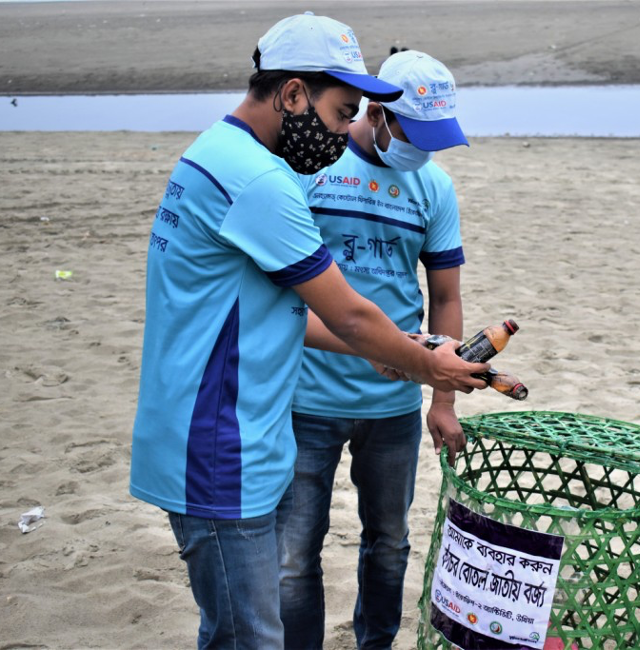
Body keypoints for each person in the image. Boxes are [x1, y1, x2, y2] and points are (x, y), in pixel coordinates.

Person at [129, 15, 487, 649]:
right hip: (218, 445)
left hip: (224, 436)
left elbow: (289, 313)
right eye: (342, 110)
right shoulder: (264, 180)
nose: (343, 130)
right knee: (253, 637)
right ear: (293, 94)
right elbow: (348, 312)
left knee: (241, 628)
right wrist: (428, 365)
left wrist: (404, 354)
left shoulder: (215, 151)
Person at [277, 50, 470, 650]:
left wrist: (442, 400)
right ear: (379, 113)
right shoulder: (310, 168)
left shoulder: (433, 186)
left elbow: (444, 296)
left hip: (392, 402)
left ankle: (376, 644)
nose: (425, 149)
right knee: (292, 554)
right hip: (304, 396)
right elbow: (276, 288)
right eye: (416, 132)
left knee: (388, 544)